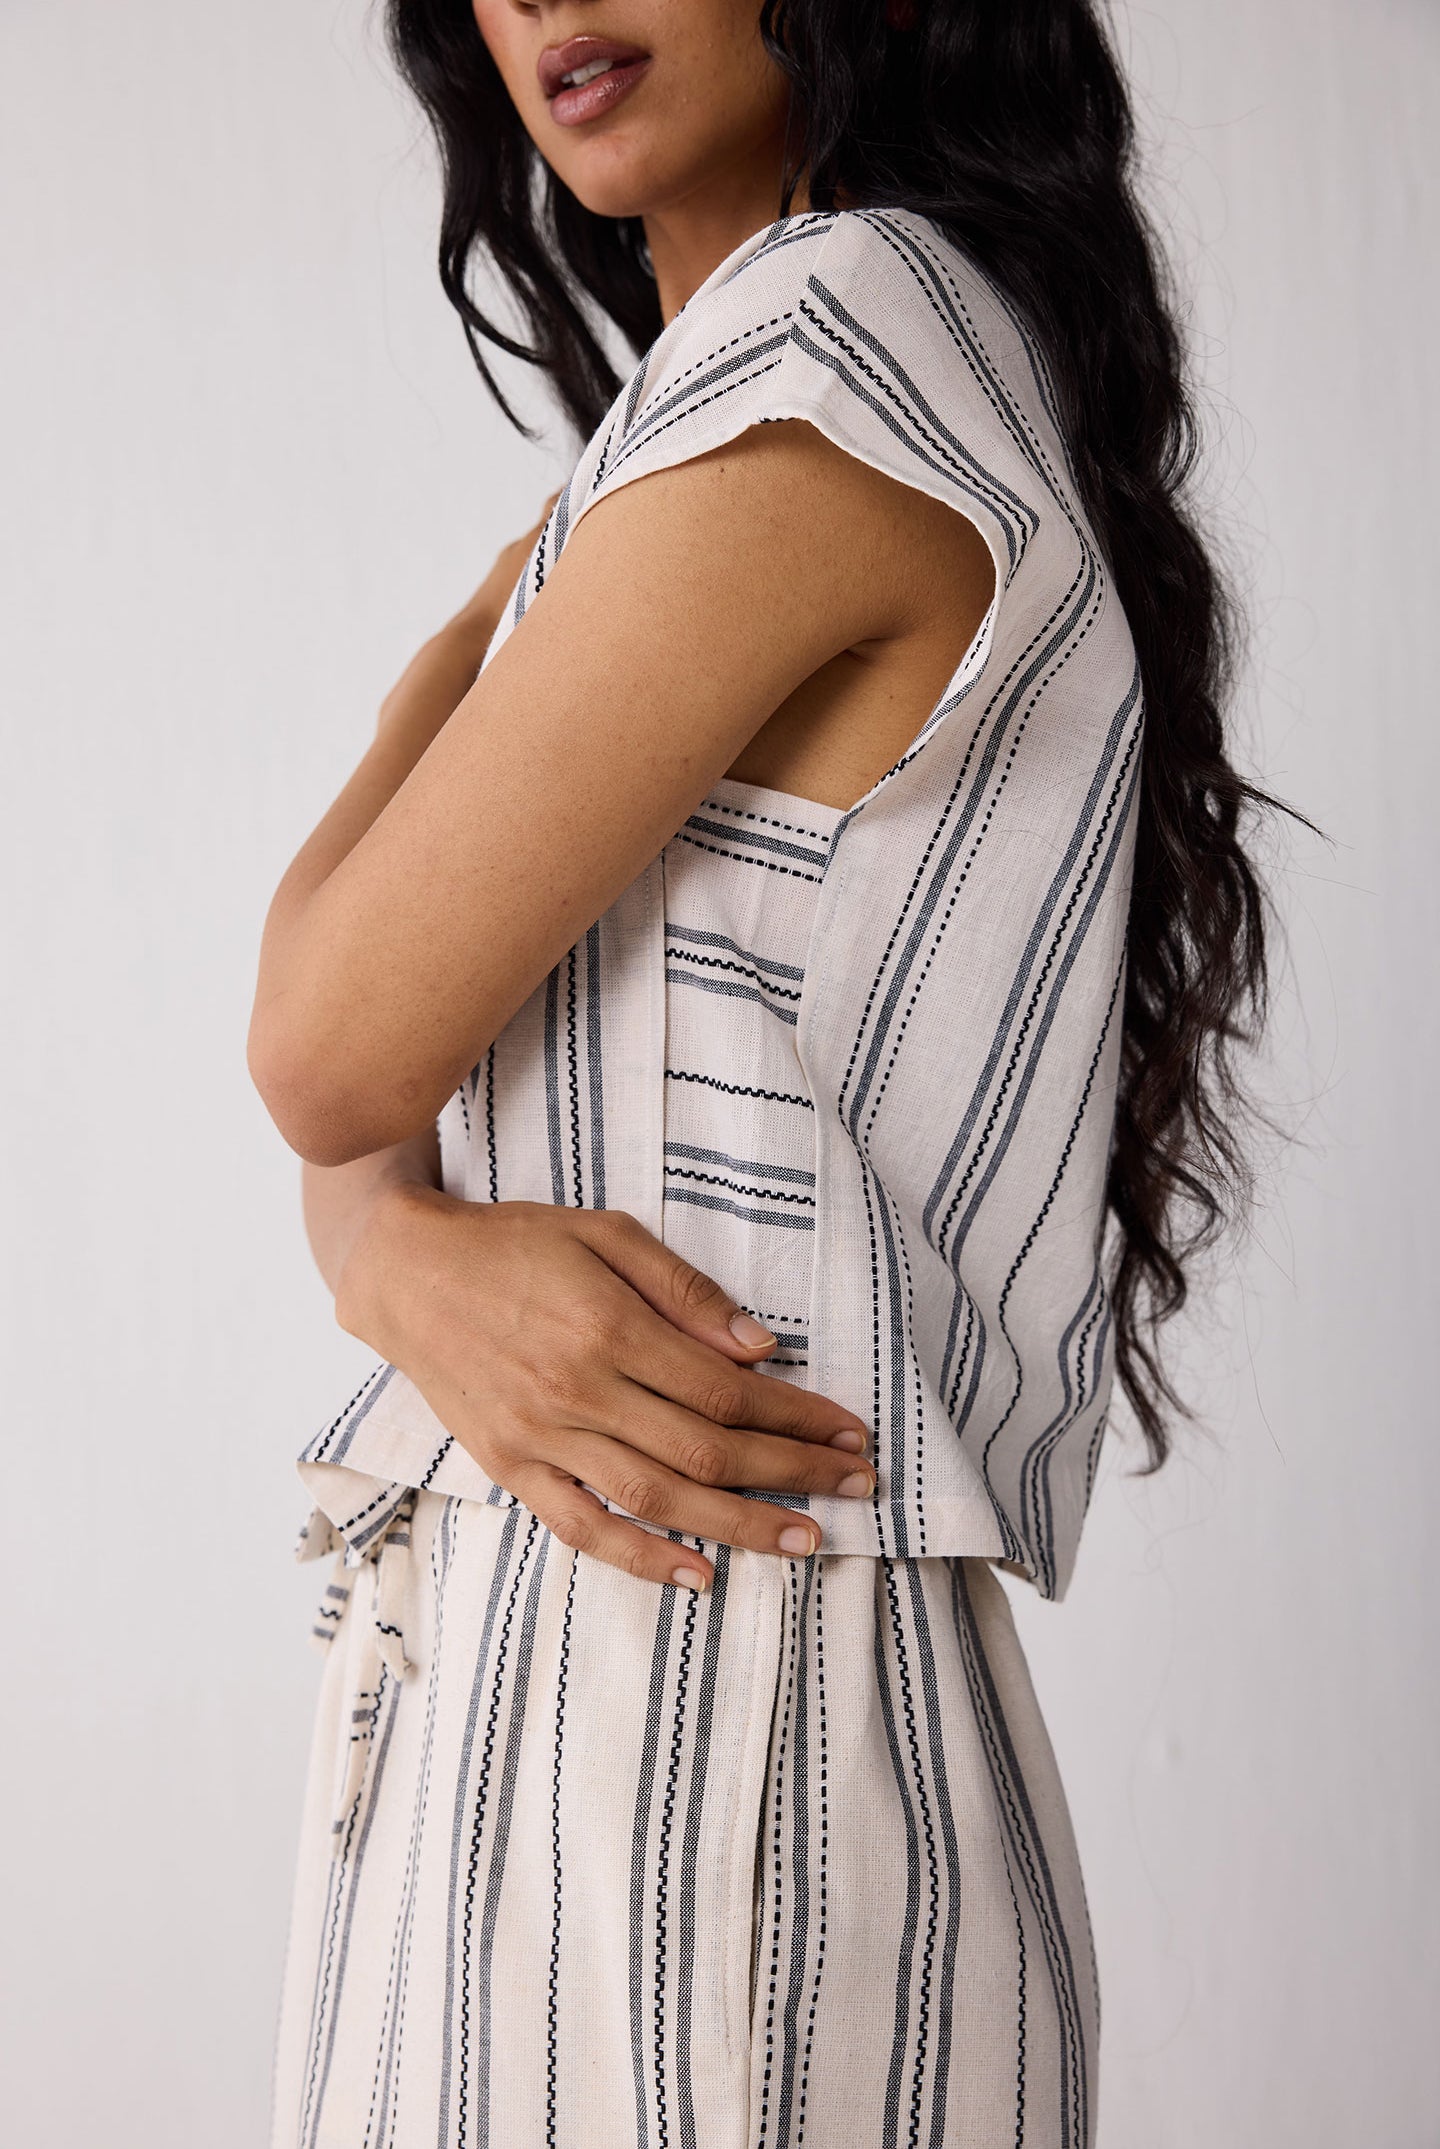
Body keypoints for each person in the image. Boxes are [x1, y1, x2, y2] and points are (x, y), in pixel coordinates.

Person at [248, 2, 1277, 2142]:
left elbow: (328, 1039)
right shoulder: (755, 413)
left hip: (698, 1741)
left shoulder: (844, 352)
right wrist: (393, 1251)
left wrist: (375, 1219)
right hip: (648, 1728)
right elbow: (364, 1075)